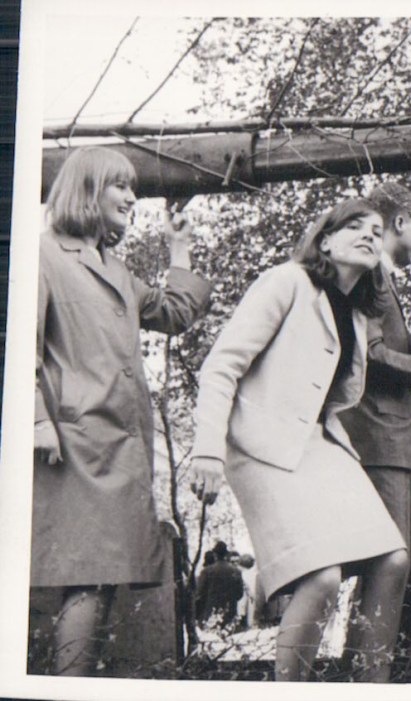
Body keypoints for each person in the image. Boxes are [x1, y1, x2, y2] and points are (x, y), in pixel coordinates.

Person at [187, 198, 409, 682]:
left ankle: (367, 686)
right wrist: (207, 449)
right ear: (324, 241)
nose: (369, 235)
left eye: (377, 231)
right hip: (260, 444)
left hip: (319, 442)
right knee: (322, 576)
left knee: (393, 560)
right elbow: (221, 366)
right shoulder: (286, 281)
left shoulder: (356, 313)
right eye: (355, 226)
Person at [32, 146, 212, 676]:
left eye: (133, 187)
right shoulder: (42, 256)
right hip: (72, 445)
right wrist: (38, 419)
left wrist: (179, 248)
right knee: (87, 576)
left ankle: (71, 680)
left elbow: (174, 312)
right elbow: (21, 345)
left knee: (100, 578)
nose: (132, 197)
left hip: (115, 446)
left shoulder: (115, 269)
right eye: (121, 186)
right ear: (87, 188)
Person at [339, 182, 411, 662]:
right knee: (389, 565)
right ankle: (370, 671)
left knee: (404, 567)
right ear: (400, 221)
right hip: (380, 439)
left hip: (396, 443)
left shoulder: (381, 276)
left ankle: (388, 667)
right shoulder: (371, 275)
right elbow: (369, 354)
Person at [194, 541, 244, 629]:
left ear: (215, 554)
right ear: (226, 554)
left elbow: (199, 593)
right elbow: (239, 594)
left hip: (211, 613)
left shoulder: (207, 571)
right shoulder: (236, 571)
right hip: (230, 613)